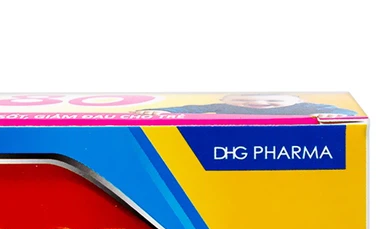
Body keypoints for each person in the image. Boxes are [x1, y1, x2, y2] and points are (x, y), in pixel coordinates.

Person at [142, 93, 358, 116]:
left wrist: (339, 115)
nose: (259, 103)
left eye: (272, 100)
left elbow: (343, 111)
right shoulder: (224, 109)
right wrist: (161, 111)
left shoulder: (304, 109)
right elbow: (190, 109)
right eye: (244, 100)